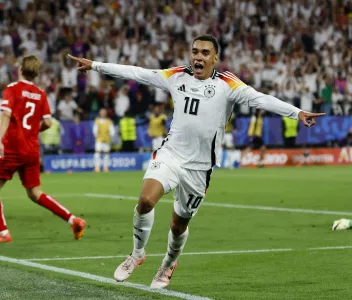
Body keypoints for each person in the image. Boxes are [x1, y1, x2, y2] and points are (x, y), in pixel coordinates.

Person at [68, 34, 324, 289]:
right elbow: (138, 72)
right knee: (145, 200)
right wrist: (96, 65)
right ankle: (137, 254)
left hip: (199, 169)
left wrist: (297, 112)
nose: (198, 57)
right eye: (194, 52)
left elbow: (260, 99)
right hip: (171, 155)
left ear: (215, 58)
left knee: (178, 225)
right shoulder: (176, 75)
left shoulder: (227, 84)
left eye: (204, 53)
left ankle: (168, 263)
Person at [0, 55, 86, 243]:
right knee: (35, 193)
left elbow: (6, 115)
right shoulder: (41, 94)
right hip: (31, 149)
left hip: (12, 147)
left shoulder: (12, 89)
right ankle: (73, 220)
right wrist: (31, 131)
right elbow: (48, 121)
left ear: (20, 69)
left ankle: (3, 232)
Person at [93, 108, 115, 172]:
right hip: (99, 139)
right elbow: (95, 130)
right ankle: (97, 167)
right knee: (97, 153)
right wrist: (96, 136)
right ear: (100, 113)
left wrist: (111, 136)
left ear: (105, 113)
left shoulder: (109, 121)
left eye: (104, 112)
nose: (102, 114)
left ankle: (106, 168)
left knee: (106, 154)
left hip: (106, 139)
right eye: (101, 112)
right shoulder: (97, 121)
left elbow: (112, 130)